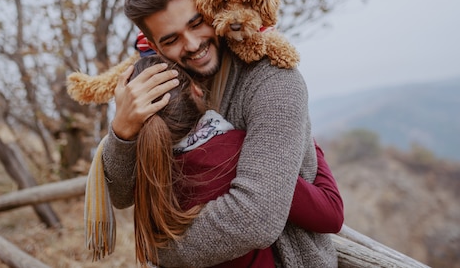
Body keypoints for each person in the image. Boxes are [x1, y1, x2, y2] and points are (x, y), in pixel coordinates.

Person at [103, 0, 339, 267]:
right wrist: (122, 130)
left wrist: (158, 251)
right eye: (171, 39)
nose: (192, 45)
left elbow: (257, 218)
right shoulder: (163, 87)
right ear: (156, 48)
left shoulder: (272, 80)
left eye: (196, 22)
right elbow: (121, 195)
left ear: (210, 8)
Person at [130, 54, 343, 267]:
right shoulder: (240, 153)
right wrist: (303, 138)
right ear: (196, 89)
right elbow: (330, 214)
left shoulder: (148, 171)